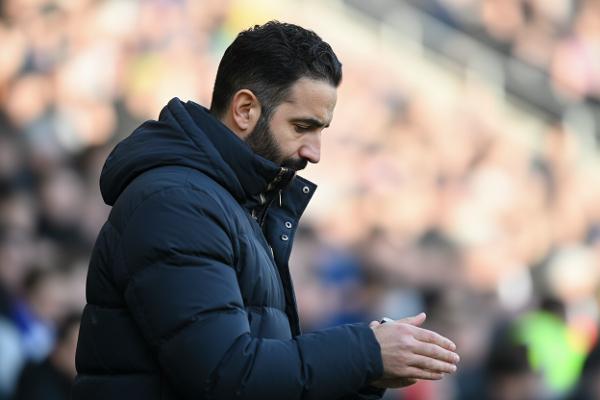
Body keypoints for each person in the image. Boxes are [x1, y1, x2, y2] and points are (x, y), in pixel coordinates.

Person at [73, 21, 459, 399]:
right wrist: (365, 353)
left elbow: (261, 373)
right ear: (245, 110)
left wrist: (368, 371)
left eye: (320, 131)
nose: (314, 152)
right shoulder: (179, 203)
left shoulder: (233, 203)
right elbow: (224, 374)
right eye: (302, 127)